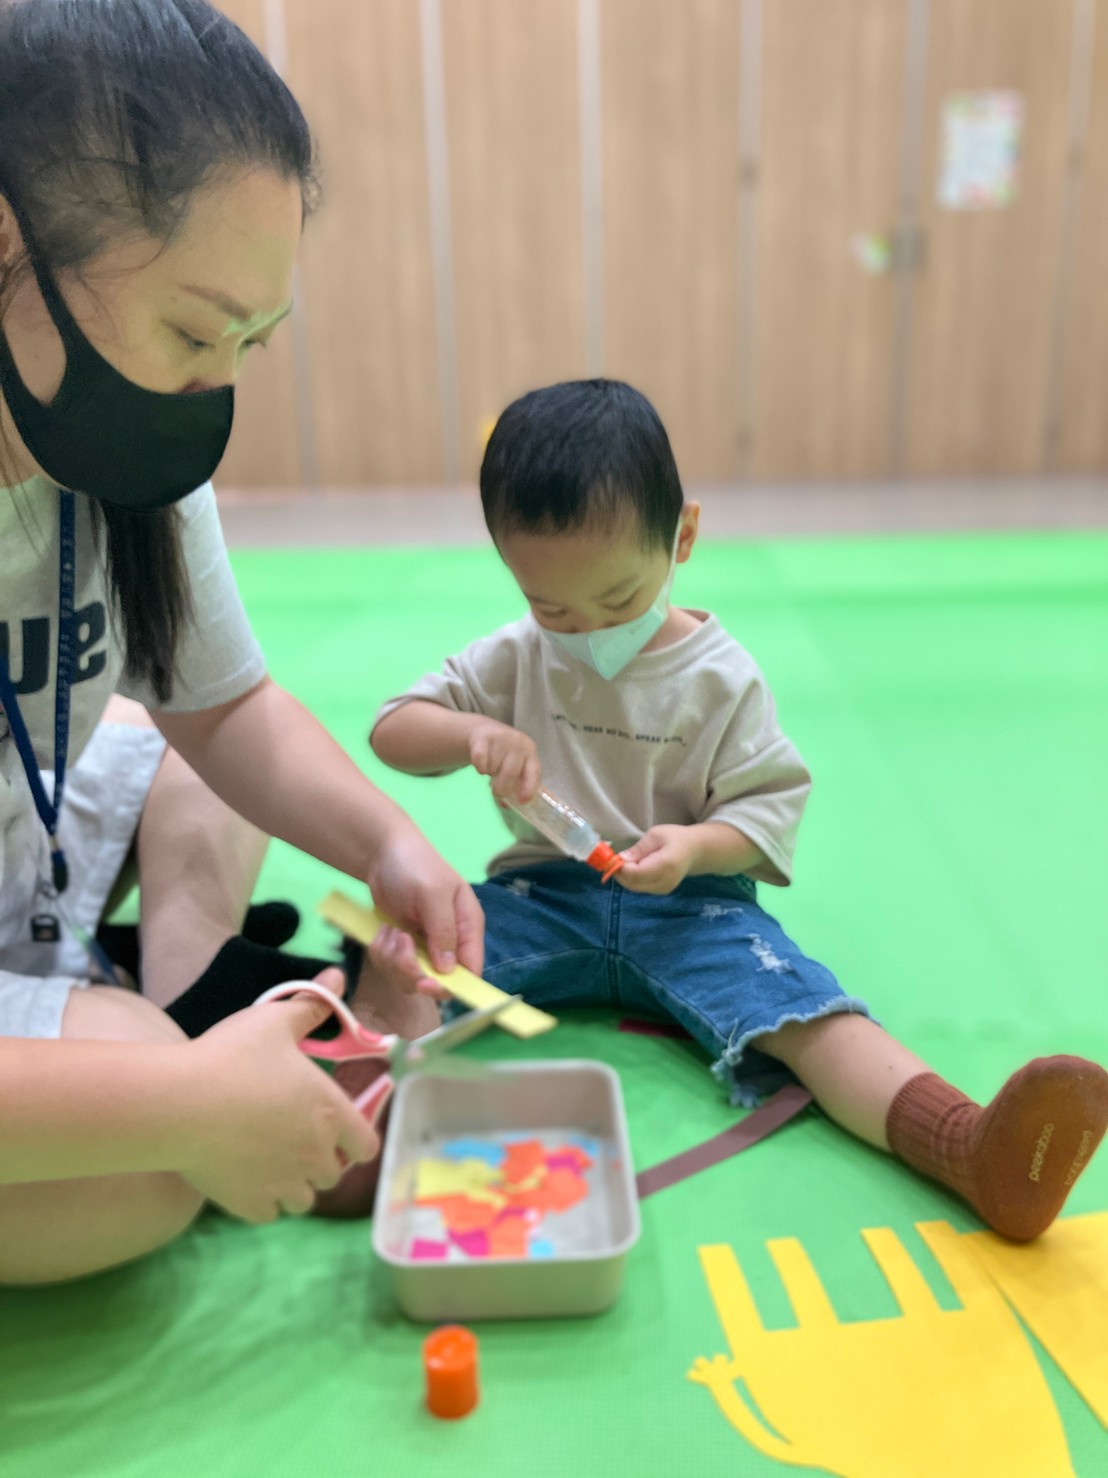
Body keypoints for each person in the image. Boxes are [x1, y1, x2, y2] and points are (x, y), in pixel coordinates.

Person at [367, 377, 1108, 1244]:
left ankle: (967, 1145)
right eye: (550, 604)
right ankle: (359, 1111)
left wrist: (694, 846)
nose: (583, 630)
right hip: (547, 893)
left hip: (693, 907)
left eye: (615, 599)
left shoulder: (720, 677)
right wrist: (464, 737)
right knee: (408, 955)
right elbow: (391, 730)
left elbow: (766, 809)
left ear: (682, 536)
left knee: (807, 1013)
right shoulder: (515, 656)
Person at [0, 0, 482, 1284]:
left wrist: (386, 839)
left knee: (169, 754)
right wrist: (177, 1110)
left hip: (27, 845)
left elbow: (223, 708)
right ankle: (177, 1072)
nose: (217, 386)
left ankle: (177, 1010)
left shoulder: (111, 447)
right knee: (147, 1174)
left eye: (249, 344)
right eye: (193, 332)